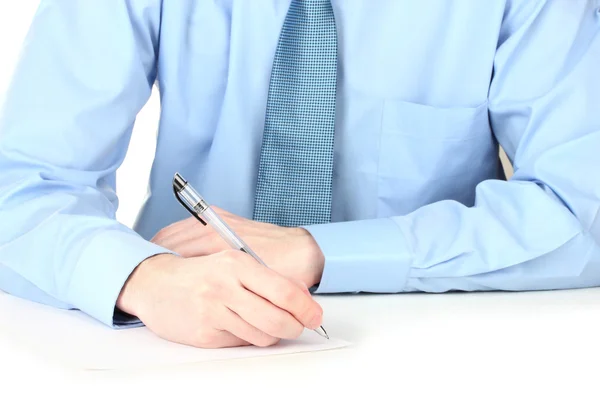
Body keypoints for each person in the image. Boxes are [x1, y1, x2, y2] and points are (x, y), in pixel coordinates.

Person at [1, 0, 599, 349]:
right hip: (172, 344)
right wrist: (140, 278)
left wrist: (323, 253)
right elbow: (21, 185)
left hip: (435, 347)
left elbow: (584, 214)